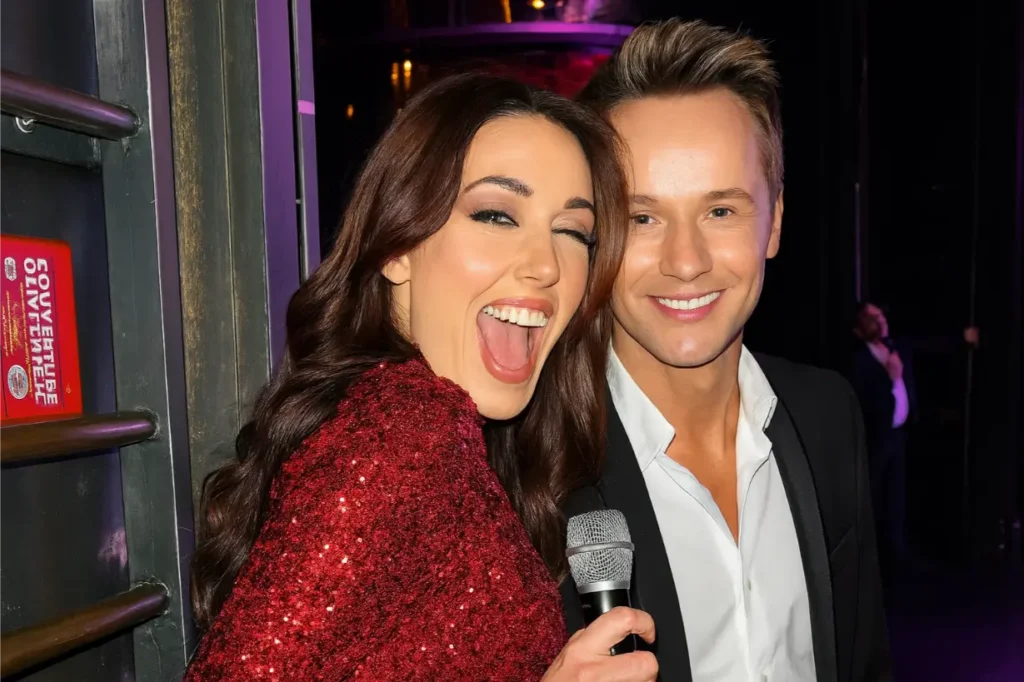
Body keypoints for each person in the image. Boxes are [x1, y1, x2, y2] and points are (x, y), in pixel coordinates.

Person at [184, 73, 658, 681]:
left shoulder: (443, 434)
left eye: (571, 232)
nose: (546, 266)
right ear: (397, 247)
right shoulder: (402, 431)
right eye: (496, 215)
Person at [561, 19, 891, 682]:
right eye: (642, 216)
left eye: (721, 211)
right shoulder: (533, 469)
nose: (686, 261)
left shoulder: (827, 417)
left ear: (775, 222)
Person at [848, 301, 918, 571]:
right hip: (877, 437)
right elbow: (866, 401)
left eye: (880, 315)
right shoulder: (860, 361)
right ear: (858, 329)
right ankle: (869, 560)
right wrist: (890, 377)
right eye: (871, 318)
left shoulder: (894, 347)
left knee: (897, 498)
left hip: (898, 434)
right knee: (875, 495)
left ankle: (897, 555)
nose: (880, 321)